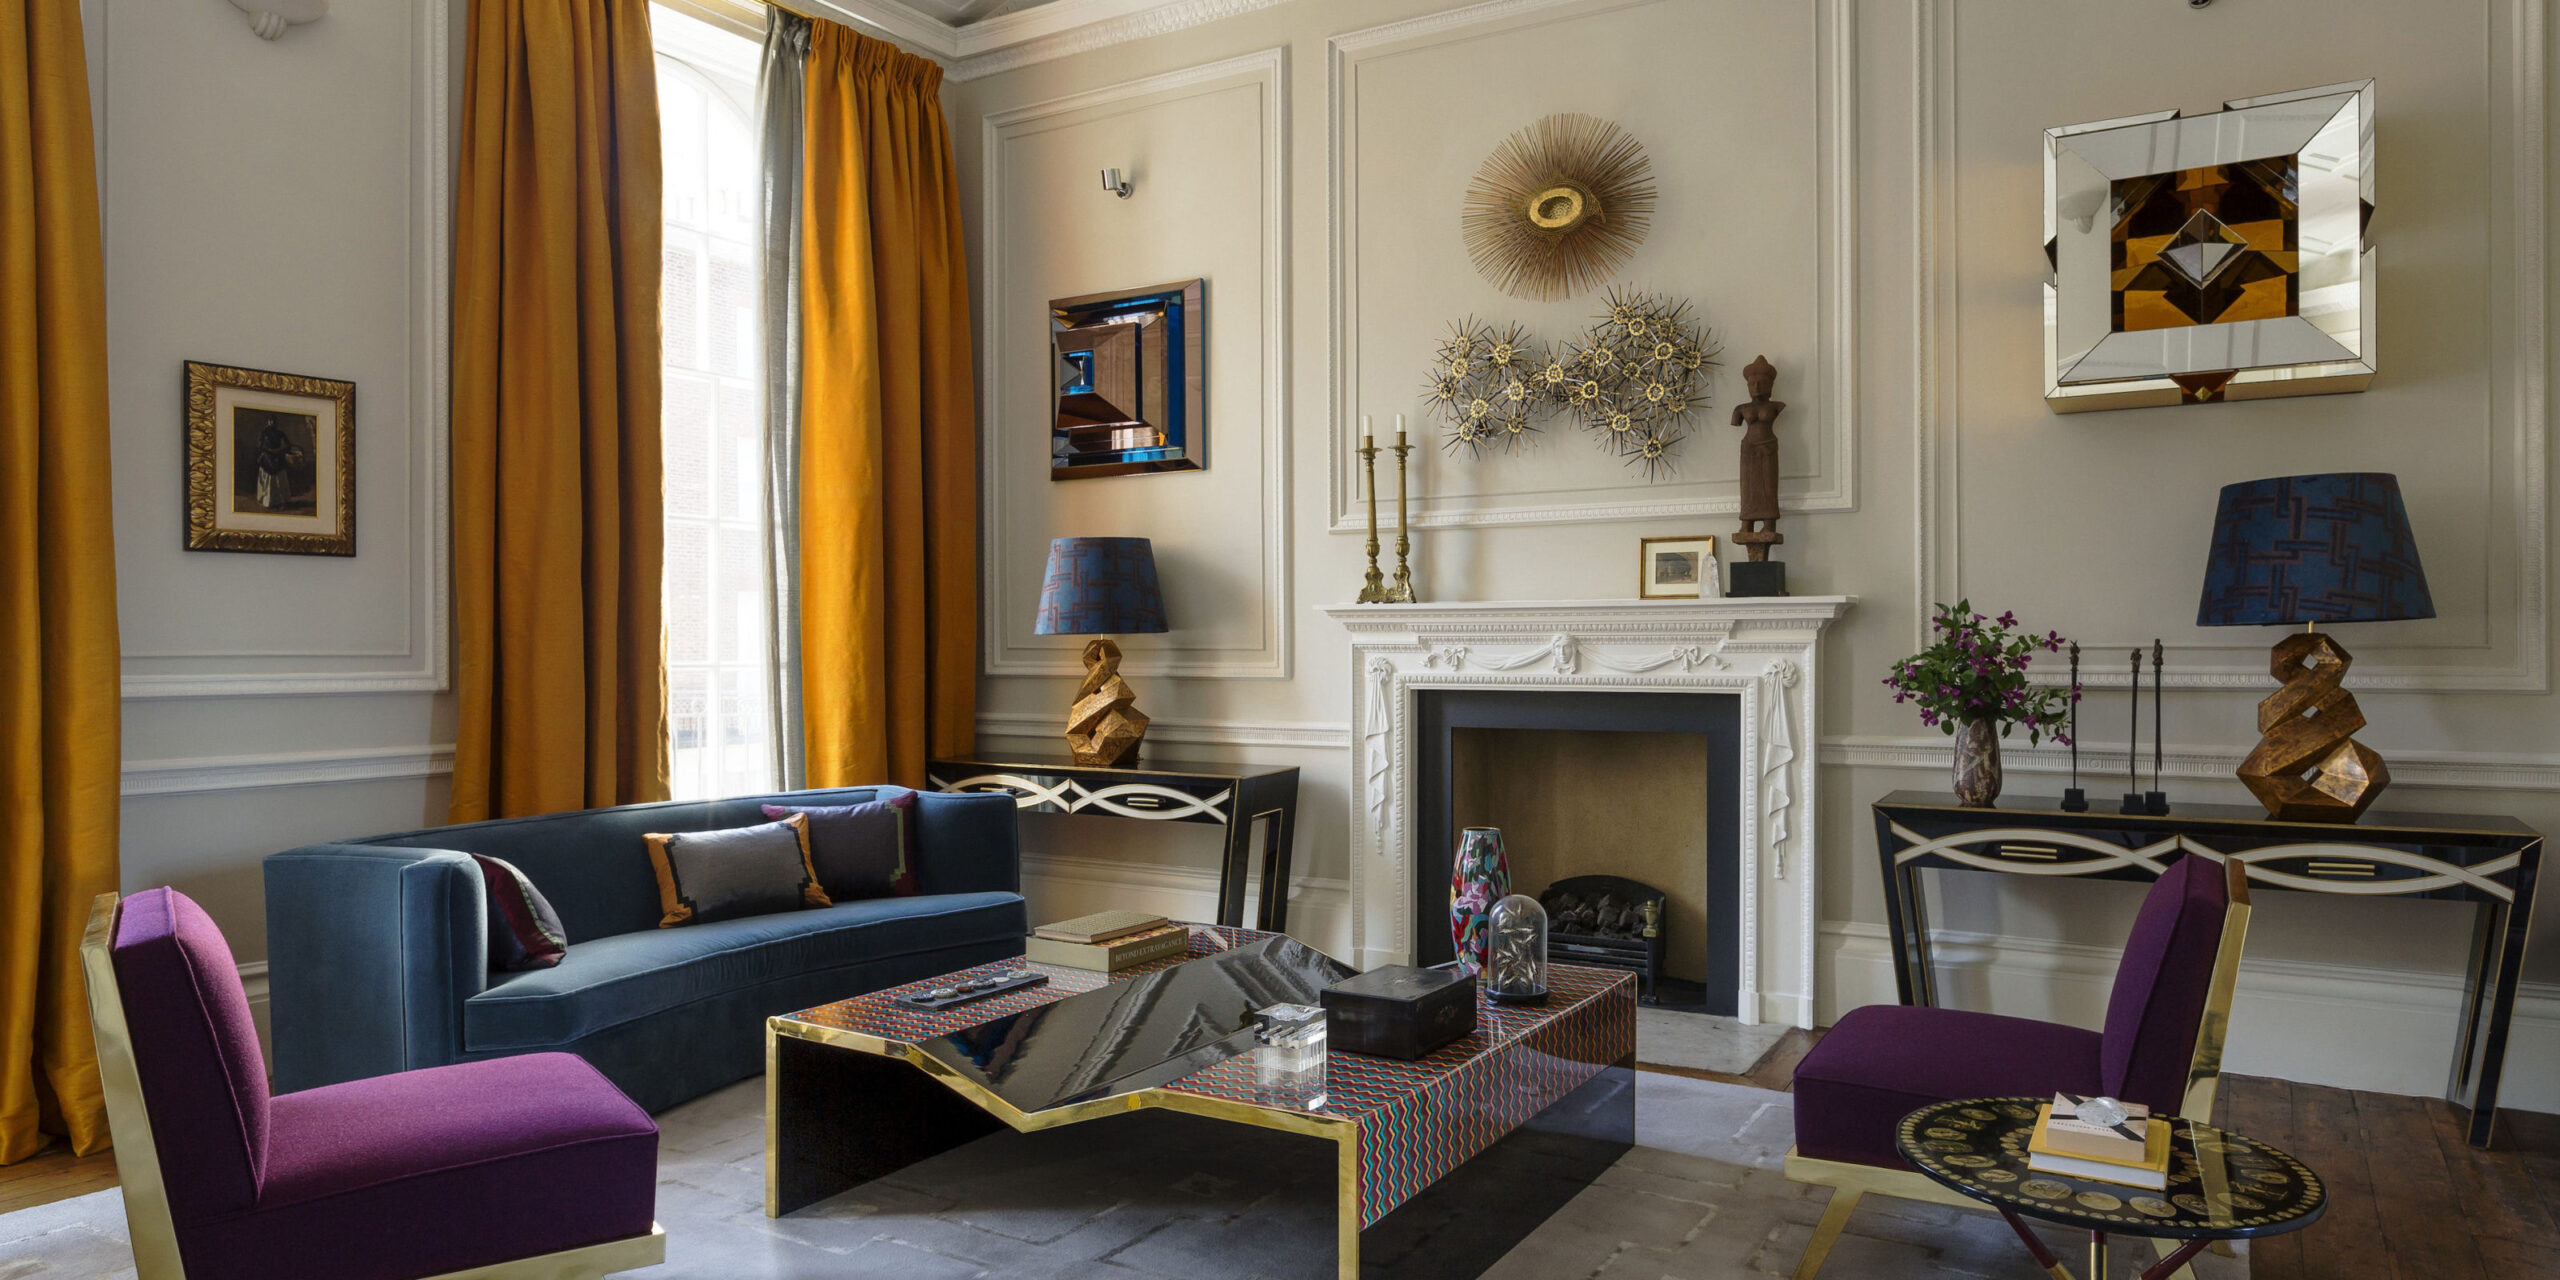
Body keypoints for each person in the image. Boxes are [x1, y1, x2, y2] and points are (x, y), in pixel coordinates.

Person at [1730, 355, 1785, 561]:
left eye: (1762, 382)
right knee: (1749, 488)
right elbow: (1735, 422)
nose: (1757, 386)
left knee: (1768, 487)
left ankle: (1769, 524)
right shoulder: (1741, 409)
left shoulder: (1776, 406)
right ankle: (1747, 525)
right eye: (1752, 383)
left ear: (1771, 385)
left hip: (1768, 449)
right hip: (1748, 451)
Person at [251, 414, 304, 511]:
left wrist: (280, 450)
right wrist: (269, 451)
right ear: (268, 421)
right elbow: (259, 446)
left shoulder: (280, 433)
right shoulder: (264, 432)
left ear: (276, 422)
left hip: (278, 454)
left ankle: (280, 500)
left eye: (274, 421)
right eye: (270, 421)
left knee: (280, 471)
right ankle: (268, 500)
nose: (272, 423)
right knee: (270, 469)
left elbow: (288, 445)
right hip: (267, 455)